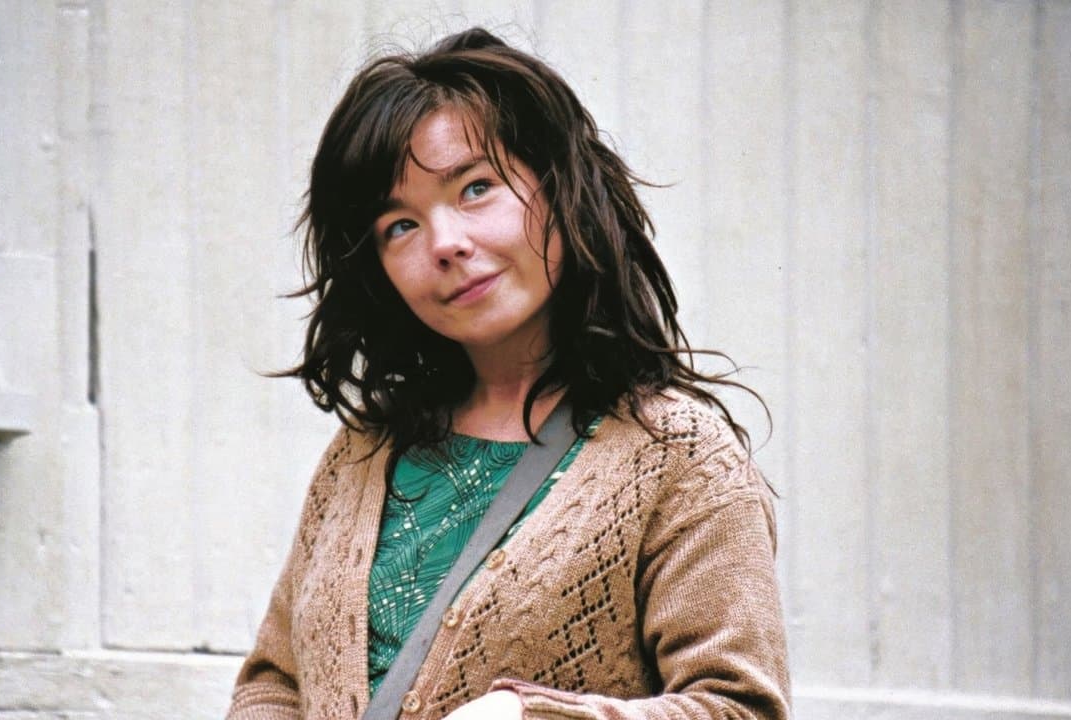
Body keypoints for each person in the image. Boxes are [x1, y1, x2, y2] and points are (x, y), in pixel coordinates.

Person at [226, 27, 789, 720]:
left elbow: (740, 708)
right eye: (399, 225)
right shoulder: (365, 450)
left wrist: (531, 718)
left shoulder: (680, 458)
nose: (446, 244)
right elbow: (275, 681)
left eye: (476, 188)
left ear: (561, 190)